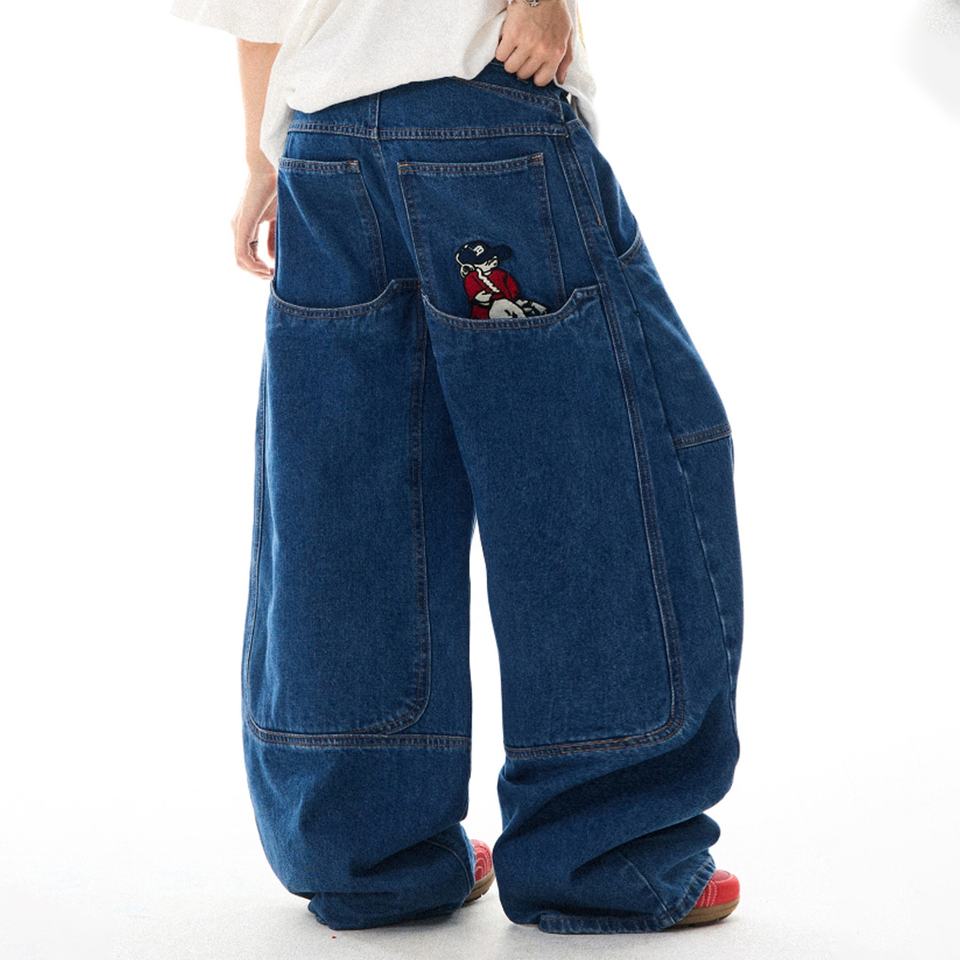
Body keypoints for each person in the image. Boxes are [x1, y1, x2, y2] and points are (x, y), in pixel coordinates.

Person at [171, 0, 745, 935]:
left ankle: (370, 854)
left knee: (349, 496)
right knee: (591, 471)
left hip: (324, 148)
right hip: (483, 118)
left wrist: (261, 159)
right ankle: (605, 854)